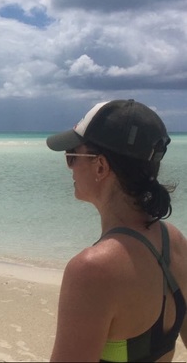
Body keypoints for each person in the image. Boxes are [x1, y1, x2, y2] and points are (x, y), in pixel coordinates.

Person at [46, 99, 187, 362]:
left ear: (100, 166)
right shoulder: (174, 242)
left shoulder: (92, 270)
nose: (70, 167)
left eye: (72, 156)